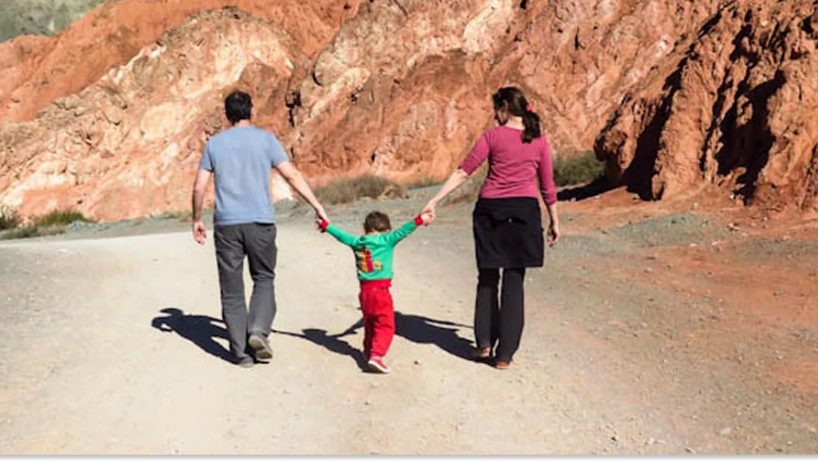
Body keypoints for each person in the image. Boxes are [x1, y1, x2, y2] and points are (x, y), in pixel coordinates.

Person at [419, 86, 560, 369]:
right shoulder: (540, 141)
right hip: (524, 212)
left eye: (496, 109)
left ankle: (484, 344)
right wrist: (555, 220)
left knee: (487, 277)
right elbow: (547, 185)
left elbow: (464, 171)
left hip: (490, 211)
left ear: (505, 106)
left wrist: (434, 200)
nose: (495, 115)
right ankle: (504, 355)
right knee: (514, 280)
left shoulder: (492, 137)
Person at [192, 90, 329, 368]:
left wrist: (197, 218)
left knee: (232, 290)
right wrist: (316, 205)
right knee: (264, 278)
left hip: (227, 225)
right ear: (252, 111)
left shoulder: (214, 145)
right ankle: (258, 330)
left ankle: (241, 354)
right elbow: (290, 174)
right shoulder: (266, 140)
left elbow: (199, 186)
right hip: (261, 222)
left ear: (227, 115)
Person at [315, 209, 432, 373]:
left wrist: (326, 225)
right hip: (381, 292)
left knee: (370, 322)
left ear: (365, 229)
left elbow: (341, 235)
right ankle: (377, 355)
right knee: (385, 325)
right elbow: (405, 230)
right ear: (387, 229)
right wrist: (421, 219)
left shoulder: (357, 241)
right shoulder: (387, 239)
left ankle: (368, 351)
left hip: (364, 293)